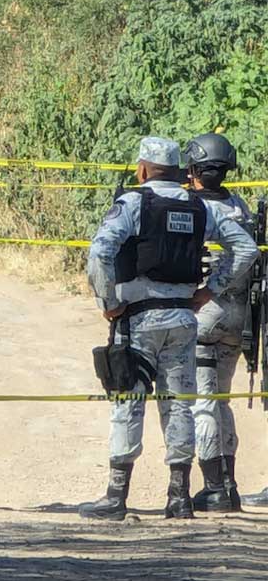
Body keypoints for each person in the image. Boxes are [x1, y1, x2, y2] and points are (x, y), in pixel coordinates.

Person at [81, 137, 258, 521]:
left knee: (128, 402)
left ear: (142, 169)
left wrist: (108, 302)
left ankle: (116, 495)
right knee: (180, 405)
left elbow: (98, 253)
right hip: (183, 319)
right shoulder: (198, 207)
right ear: (178, 171)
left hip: (139, 318)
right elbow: (245, 250)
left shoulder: (133, 202)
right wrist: (208, 291)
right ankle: (178, 496)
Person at [183, 133, 256, 512]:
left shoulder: (193, 206)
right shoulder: (240, 206)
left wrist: (209, 288)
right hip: (239, 314)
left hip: (205, 311)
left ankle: (214, 488)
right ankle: (229, 485)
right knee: (222, 400)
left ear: (194, 168)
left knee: (203, 402)